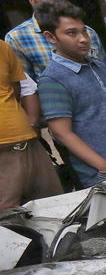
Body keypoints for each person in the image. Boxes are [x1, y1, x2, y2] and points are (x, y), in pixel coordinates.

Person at [36, 0, 106, 188]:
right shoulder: (52, 80)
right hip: (101, 174)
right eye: (71, 33)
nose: (83, 38)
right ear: (51, 37)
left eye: (83, 31)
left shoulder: (98, 66)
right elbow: (62, 133)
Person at [5, 0, 106, 82]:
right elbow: (25, 87)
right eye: (56, 2)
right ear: (35, 3)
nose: (63, 6)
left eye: (66, 1)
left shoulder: (87, 32)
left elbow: (105, 69)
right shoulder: (18, 38)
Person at [0, 40, 62, 208]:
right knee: (8, 220)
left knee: (51, 206)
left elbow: (17, 90)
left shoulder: (3, 47)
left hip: (26, 141)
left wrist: (32, 125)